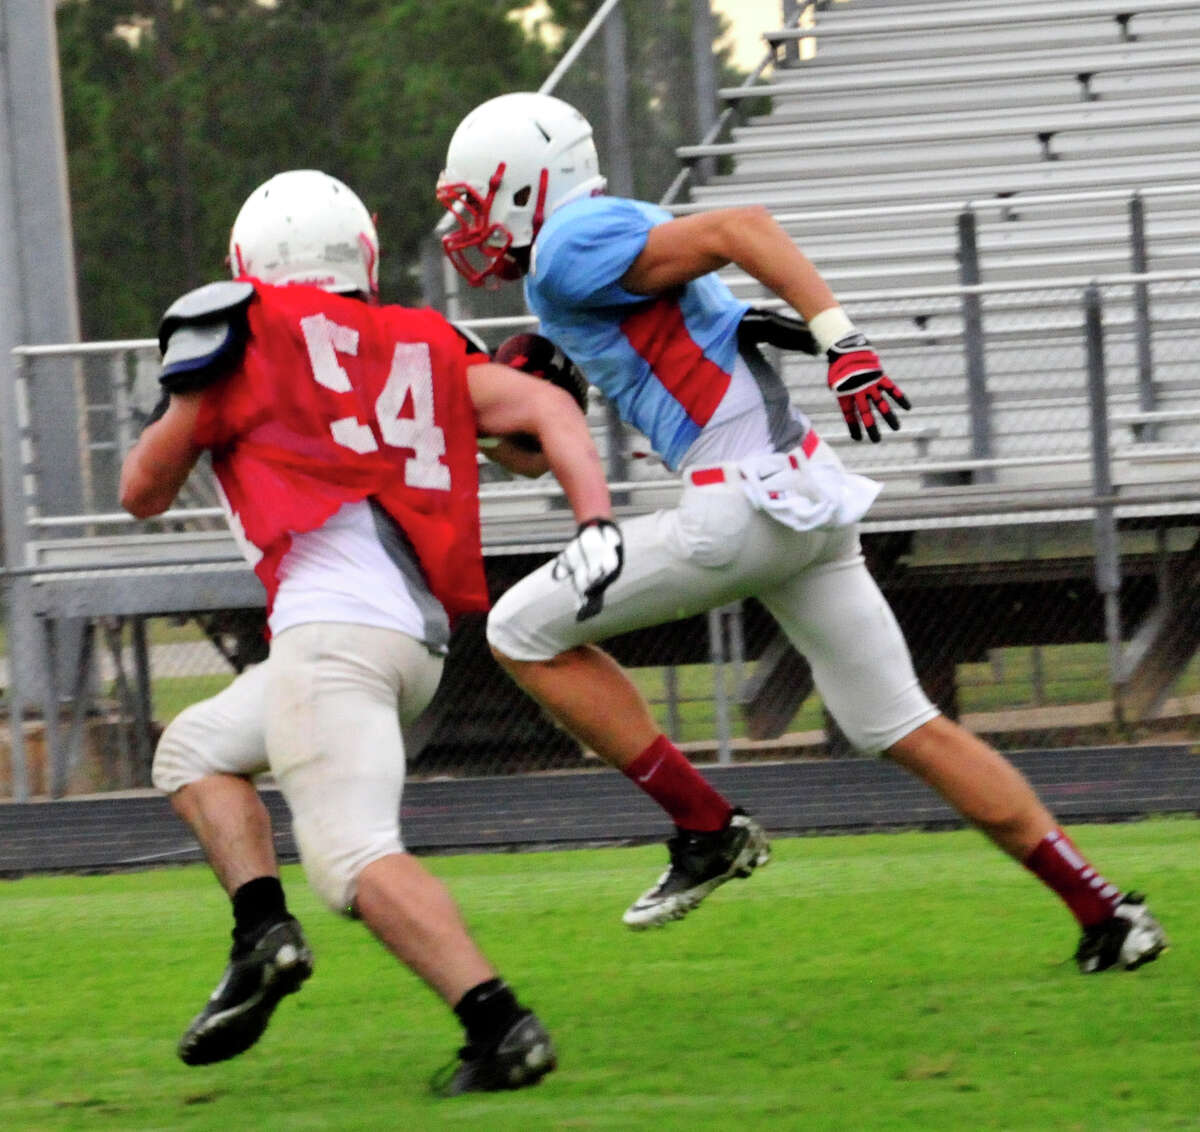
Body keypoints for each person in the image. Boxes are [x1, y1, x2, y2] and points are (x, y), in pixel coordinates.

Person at [434, 91, 1167, 971]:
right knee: (902, 724)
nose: (468, 228)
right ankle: (1106, 913)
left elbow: (745, 224)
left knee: (519, 630)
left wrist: (842, 339)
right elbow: (537, 451)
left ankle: (707, 826)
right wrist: (477, 399)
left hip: (737, 501)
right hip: (800, 495)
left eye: (474, 203)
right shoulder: (599, 246)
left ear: (525, 184)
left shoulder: (564, 247)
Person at [119, 169, 623, 1094]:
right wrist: (593, 519)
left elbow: (141, 492)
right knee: (192, 749)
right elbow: (545, 414)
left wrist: (190, 406)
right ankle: (260, 935)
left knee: (351, 855)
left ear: (249, 262)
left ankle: (499, 1027)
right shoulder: (423, 340)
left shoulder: (245, 334)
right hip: (410, 639)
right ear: (363, 253)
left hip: (334, 633)